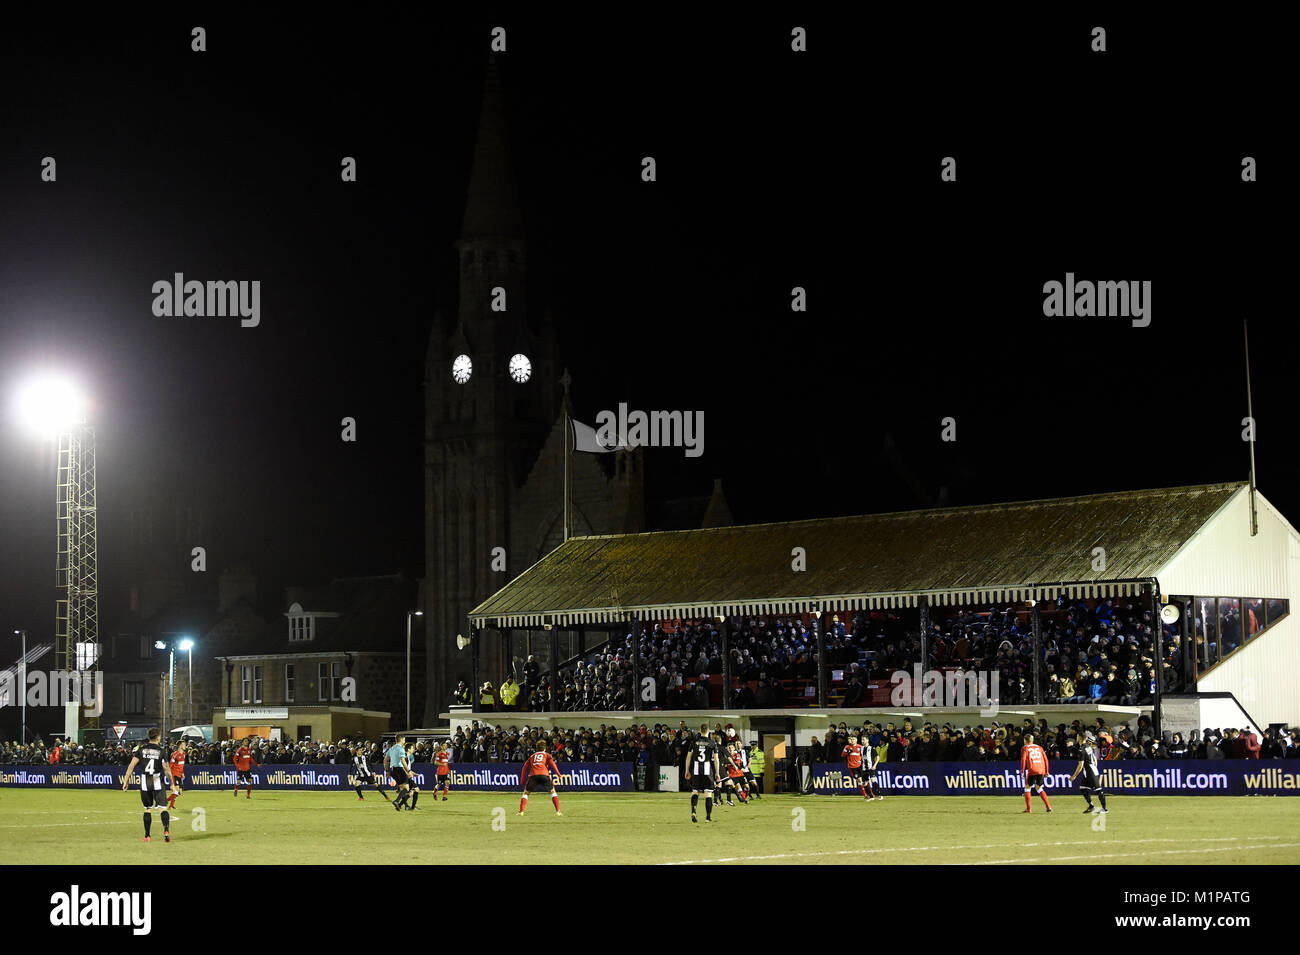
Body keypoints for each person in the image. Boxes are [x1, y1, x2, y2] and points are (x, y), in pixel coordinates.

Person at [122, 727, 171, 843]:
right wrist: (172, 783)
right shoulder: (161, 751)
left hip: (145, 781)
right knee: (162, 808)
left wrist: (126, 781)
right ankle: (166, 831)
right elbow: (167, 769)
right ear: (158, 737)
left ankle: (147, 836)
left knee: (147, 809)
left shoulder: (141, 750)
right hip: (157, 780)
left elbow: (131, 766)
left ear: (149, 737)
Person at [685, 726, 721, 823]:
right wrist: (717, 773)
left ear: (700, 731)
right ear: (708, 731)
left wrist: (687, 770)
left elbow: (688, 757)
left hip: (696, 769)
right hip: (707, 770)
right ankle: (708, 817)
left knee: (695, 792)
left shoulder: (694, 743)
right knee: (708, 793)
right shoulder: (712, 743)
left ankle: (693, 811)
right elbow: (716, 760)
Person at [518, 740, 562, 815]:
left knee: (526, 793)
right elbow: (553, 764)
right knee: (553, 792)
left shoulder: (532, 756)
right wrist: (559, 774)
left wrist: (522, 780)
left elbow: (524, 767)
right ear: (545, 748)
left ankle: (521, 811)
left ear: (536, 748)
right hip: (544, 774)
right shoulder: (547, 755)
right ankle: (558, 811)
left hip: (533, 775)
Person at [1069, 732, 1108, 814]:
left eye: (1077, 736)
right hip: (1091, 770)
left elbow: (1081, 764)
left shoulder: (1082, 749)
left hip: (1090, 772)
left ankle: (1104, 809)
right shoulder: (1087, 746)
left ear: (1079, 738)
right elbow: (1094, 758)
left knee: (1098, 790)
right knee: (1083, 788)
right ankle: (1091, 806)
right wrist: (1094, 766)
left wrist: (1074, 776)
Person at [1019, 733, 1052, 814]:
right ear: (1032, 740)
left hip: (1032, 770)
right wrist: (1047, 771)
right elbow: (1045, 759)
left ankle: (1028, 809)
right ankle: (1048, 807)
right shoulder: (1039, 747)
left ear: (1025, 740)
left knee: (1027, 788)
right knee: (1039, 788)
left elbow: (1023, 759)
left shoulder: (1025, 748)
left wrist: (1022, 771)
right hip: (1041, 770)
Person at [387, 736, 415, 811]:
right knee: (406, 788)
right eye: (404, 739)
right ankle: (396, 801)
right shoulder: (401, 749)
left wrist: (387, 771)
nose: (404, 741)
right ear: (401, 739)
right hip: (399, 769)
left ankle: (404, 806)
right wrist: (408, 771)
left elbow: (385, 760)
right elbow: (403, 761)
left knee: (402, 788)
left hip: (392, 770)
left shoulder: (391, 749)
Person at [842, 735, 871, 801]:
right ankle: (865, 795)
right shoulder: (847, 747)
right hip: (852, 767)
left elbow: (864, 756)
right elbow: (843, 755)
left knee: (865, 781)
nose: (852, 740)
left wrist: (861, 761)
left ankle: (871, 794)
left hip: (860, 766)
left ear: (856, 740)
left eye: (853, 739)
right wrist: (848, 752)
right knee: (859, 780)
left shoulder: (860, 747)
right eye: (851, 739)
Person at [166, 739, 187, 810]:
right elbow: (170, 765)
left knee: (179, 792)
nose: (185, 746)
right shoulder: (175, 755)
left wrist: (182, 773)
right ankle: (168, 804)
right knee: (176, 791)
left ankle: (168, 804)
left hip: (179, 775)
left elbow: (182, 765)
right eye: (184, 745)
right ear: (180, 746)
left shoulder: (184, 754)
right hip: (174, 774)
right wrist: (170, 775)